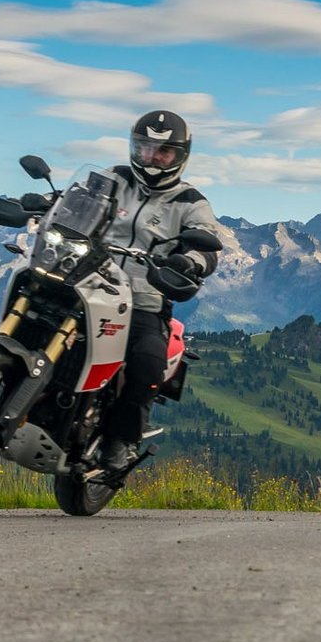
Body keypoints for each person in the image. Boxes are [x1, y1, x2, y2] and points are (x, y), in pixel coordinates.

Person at [85, 110, 224, 481]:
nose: (152, 157)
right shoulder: (112, 178)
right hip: (85, 282)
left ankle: (121, 440)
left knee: (147, 362)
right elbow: (79, 202)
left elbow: (209, 247)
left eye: (163, 151)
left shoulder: (191, 201)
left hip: (143, 300)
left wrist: (191, 261)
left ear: (179, 156)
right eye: (145, 148)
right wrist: (46, 204)